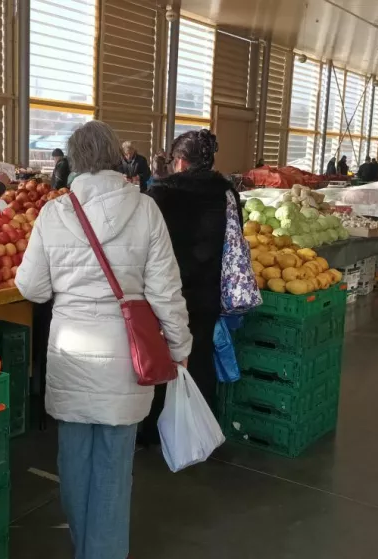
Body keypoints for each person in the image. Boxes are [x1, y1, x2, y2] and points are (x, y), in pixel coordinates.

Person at [14, 120, 192, 559]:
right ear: (117, 157)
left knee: (73, 461)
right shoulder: (147, 210)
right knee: (115, 465)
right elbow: (166, 291)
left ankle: (83, 546)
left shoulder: (55, 214)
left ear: (73, 161)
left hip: (71, 355)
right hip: (127, 358)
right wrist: (180, 347)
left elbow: (31, 288)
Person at [142, 129, 235, 444]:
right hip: (207, 291)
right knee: (201, 356)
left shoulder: (162, 193)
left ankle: (155, 429)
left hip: (166, 290)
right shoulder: (226, 193)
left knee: (160, 356)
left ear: (179, 161)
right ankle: (200, 428)